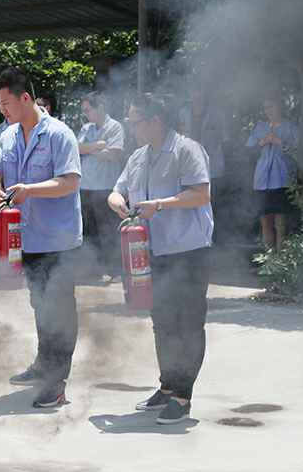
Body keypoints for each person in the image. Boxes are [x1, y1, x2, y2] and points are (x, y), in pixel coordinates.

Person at [107, 94, 213, 425]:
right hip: (151, 250)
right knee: (163, 320)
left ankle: (182, 396)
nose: (131, 127)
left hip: (188, 251)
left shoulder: (187, 150)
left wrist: (161, 205)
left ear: (155, 121)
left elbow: (201, 193)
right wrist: (116, 200)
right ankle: (167, 386)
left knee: (187, 323)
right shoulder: (138, 156)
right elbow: (118, 189)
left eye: (135, 121)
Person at [0, 67, 82, 408]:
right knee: (40, 303)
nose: (2, 111)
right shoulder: (8, 136)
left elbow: (70, 181)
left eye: (6, 104)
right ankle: (44, 363)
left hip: (58, 239)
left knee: (59, 309)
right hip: (26, 237)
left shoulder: (59, 134)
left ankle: (57, 382)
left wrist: (31, 190)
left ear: (25, 98)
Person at [77, 91, 126, 277]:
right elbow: (77, 148)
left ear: (100, 107)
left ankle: (113, 268)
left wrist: (88, 150)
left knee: (108, 230)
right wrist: (98, 146)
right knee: (90, 231)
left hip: (106, 186)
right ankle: (94, 269)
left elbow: (114, 153)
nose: (85, 114)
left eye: (88, 110)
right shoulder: (86, 128)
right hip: (86, 186)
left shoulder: (115, 127)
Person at [246, 97, 298, 250]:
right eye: (266, 108)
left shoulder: (290, 127)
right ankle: (268, 257)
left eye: (271, 107)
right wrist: (262, 141)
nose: (268, 111)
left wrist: (280, 142)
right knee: (265, 221)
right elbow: (249, 150)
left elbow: (299, 150)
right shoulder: (260, 127)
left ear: (280, 107)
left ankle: (281, 259)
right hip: (262, 180)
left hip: (282, 179)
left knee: (281, 224)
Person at [180, 88, 229, 243]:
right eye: (194, 92)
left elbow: (225, 139)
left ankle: (215, 239)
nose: (197, 95)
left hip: (212, 166)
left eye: (199, 91)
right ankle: (195, 239)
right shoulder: (183, 113)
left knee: (213, 204)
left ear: (204, 94)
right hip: (188, 167)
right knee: (190, 204)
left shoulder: (217, 114)